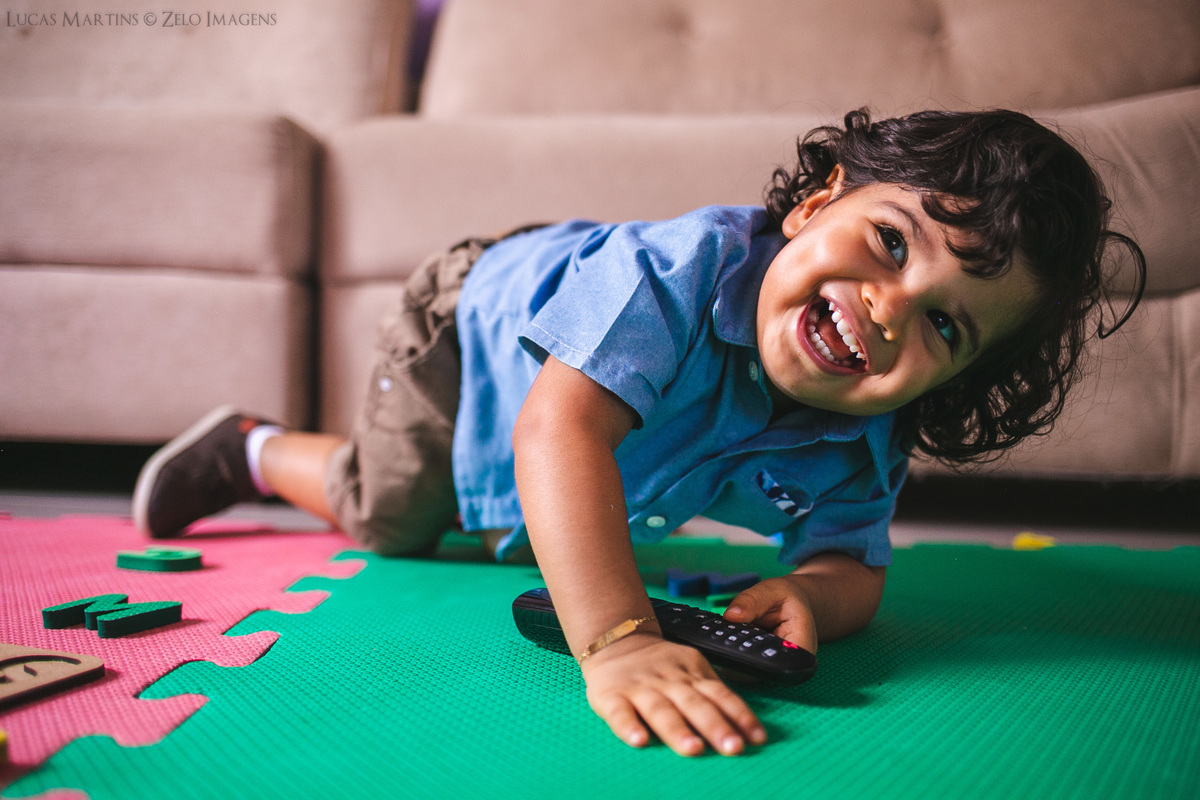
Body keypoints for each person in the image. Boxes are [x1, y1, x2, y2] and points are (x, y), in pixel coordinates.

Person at [133, 108, 1145, 758]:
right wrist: (617, 640)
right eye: (891, 242)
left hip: (589, 389)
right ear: (821, 198)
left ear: (959, 378)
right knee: (391, 515)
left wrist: (809, 594)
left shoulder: (864, 437)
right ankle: (252, 447)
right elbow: (561, 429)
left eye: (943, 324)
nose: (888, 310)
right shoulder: (677, 273)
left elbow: (853, 566)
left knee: (540, 528)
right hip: (479, 313)